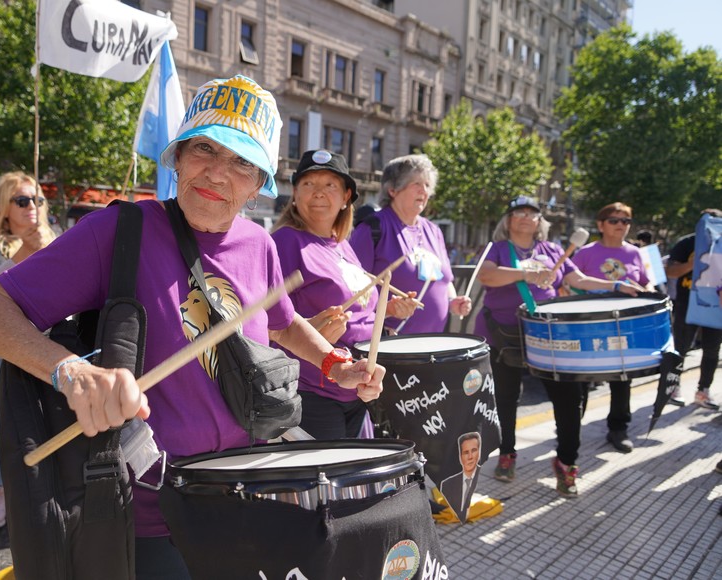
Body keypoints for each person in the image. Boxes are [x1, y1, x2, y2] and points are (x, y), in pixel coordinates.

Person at [0, 75, 384, 578]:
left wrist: (336, 364)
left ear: (259, 184)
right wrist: (70, 371)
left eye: (242, 162)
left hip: (250, 489)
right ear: (177, 156)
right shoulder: (120, 230)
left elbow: (283, 323)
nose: (218, 173)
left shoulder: (260, 244)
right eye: (204, 147)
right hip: (154, 507)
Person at [475, 196, 637, 498]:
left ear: (540, 221)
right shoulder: (497, 249)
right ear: (508, 220)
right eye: (518, 212)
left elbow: (578, 278)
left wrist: (615, 285)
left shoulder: (552, 250)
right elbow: (487, 276)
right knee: (506, 399)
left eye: (532, 213)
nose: (525, 217)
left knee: (569, 398)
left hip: (550, 335)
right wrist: (527, 274)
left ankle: (566, 462)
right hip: (504, 335)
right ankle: (507, 453)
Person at [271, 149, 417, 439]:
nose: (319, 193)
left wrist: (387, 309)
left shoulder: (342, 245)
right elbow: (270, 324)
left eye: (330, 185)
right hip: (314, 392)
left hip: (356, 389)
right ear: (295, 193)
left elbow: (359, 310)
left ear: (346, 196)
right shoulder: (285, 241)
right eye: (309, 184)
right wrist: (311, 328)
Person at [0, 172, 56, 528]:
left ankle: (43, 486)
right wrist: (27, 250)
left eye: (37, 200)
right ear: (4, 206)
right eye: (22, 200)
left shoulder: (56, 239)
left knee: (47, 415)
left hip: (43, 344)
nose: (32, 207)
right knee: (0, 418)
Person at [350, 154, 470, 335]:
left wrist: (453, 302)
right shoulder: (372, 229)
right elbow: (352, 291)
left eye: (427, 185)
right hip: (389, 348)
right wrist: (386, 311)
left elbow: (445, 281)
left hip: (432, 347)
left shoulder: (434, 230)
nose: (424, 191)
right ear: (393, 190)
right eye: (417, 184)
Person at [571, 202, 651, 453]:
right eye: (614, 220)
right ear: (600, 225)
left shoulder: (637, 253)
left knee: (622, 379)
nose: (621, 226)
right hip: (588, 326)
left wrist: (647, 292)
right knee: (580, 380)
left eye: (625, 221)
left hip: (623, 327)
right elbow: (571, 282)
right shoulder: (584, 252)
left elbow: (648, 284)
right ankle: (571, 428)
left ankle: (618, 428)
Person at [664, 209, 722, 410]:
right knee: (680, 348)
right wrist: (691, 263)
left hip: (715, 306)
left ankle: (703, 390)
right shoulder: (686, 243)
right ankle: (672, 388)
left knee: (712, 350)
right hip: (686, 304)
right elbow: (670, 271)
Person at [438, 432, 481, 522]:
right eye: (466, 452)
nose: (470, 457)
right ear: (460, 456)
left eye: (473, 450)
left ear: (479, 452)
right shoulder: (446, 485)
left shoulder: (477, 476)